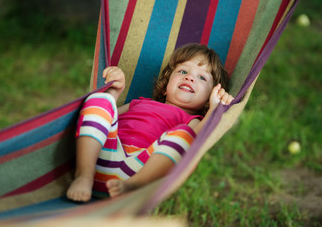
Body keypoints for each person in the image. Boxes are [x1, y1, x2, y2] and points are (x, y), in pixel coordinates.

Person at [67, 43, 234, 202]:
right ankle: (84, 175)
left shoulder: (191, 121)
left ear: (208, 98)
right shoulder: (138, 102)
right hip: (100, 159)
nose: (190, 78)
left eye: (202, 78)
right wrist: (114, 91)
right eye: (183, 71)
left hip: (139, 169)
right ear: (165, 85)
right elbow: (102, 119)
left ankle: (134, 186)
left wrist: (214, 110)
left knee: (185, 135)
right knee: (101, 99)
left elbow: (196, 142)